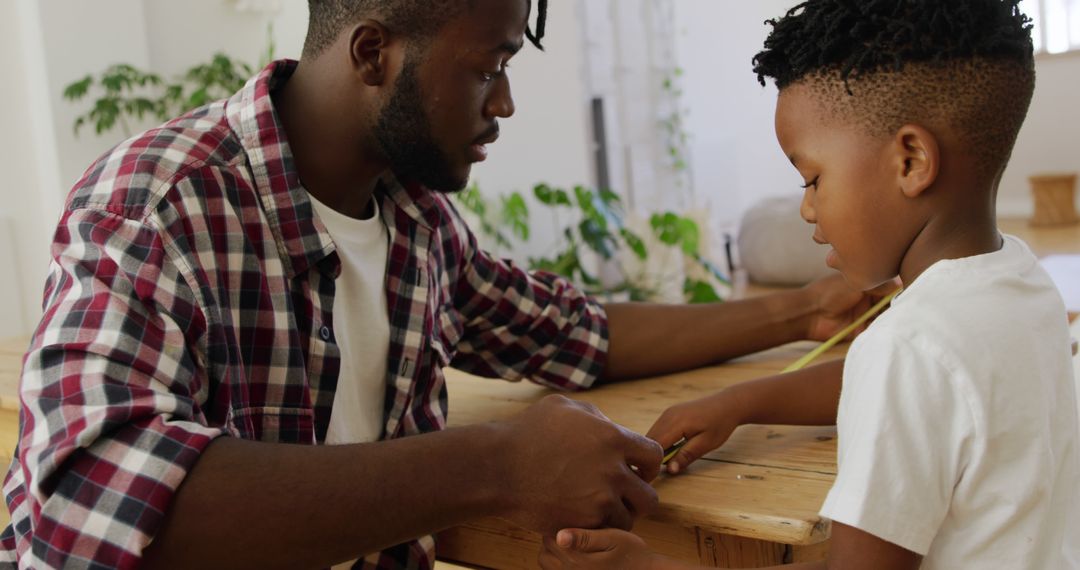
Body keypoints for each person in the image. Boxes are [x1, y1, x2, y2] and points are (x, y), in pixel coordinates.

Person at [0, 1, 874, 568]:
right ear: (374, 51)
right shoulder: (161, 201)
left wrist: (806, 307)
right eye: (489, 67)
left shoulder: (416, 223)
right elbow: (88, 497)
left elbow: (577, 334)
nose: (505, 105)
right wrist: (494, 465)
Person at [540, 1, 1080, 569]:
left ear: (911, 161)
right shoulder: (1025, 281)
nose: (806, 208)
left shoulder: (908, 350)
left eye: (813, 179)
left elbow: (907, 375)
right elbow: (928, 386)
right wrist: (743, 401)